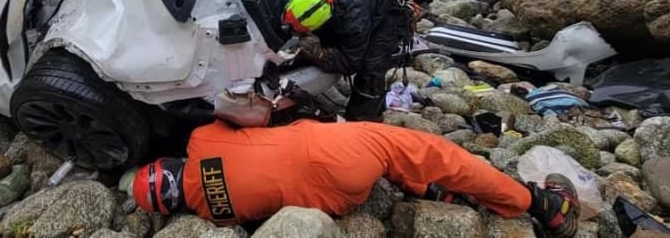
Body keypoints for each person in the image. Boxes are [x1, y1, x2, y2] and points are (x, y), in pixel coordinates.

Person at [129, 119, 579, 238]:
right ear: (168, 164)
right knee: (433, 152)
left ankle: (432, 191)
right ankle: (541, 206)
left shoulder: (216, 215)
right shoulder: (203, 140)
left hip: (341, 200)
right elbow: (252, 115)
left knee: (393, 167)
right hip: (335, 152)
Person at [275, 0, 414, 121]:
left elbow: (350, 62)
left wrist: (319, 54)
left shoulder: (354, 21)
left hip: (388, 7)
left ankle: (363, 120)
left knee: (371, 68)